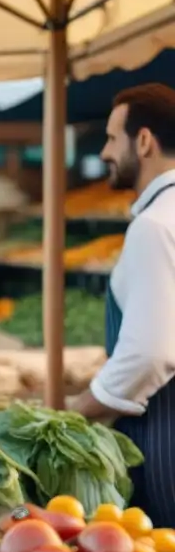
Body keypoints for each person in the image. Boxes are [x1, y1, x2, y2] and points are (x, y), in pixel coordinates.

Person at [70, 83, 175, 527]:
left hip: (165, 443)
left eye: (113, 138)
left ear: (145, 141)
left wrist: (78, 409)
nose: (106, 151)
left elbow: (149, 355)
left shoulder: (153, 226)